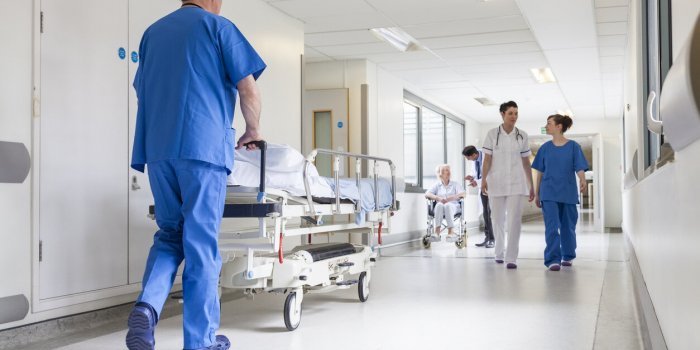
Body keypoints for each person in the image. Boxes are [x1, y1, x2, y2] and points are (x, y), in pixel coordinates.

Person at [127, 1, 266, 349]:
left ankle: (147, 308)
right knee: (201, 244)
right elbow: (248, 88)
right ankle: (200, 341)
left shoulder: (152, 33)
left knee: (171, 233)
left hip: (158, 150)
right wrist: (253, 130)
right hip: (202, 151)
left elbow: (142, 90)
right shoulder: (219, 28)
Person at [481, 101, 535, 269]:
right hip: (495, 183)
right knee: (496, 219)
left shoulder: (522, 135)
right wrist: (483, 179)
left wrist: (531, 185)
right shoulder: (491, 134)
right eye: (510, 113)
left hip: (517, 184)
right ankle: (499, 251)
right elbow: (487, 159)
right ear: (502, 114)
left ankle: (511, 257)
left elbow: (526, 162)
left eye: (516, 113)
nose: (514, 117)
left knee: (514, 221)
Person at [532, 114, 589, 271]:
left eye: (549, 123)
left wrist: (583, 180)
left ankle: (568, 255)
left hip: (568, 192)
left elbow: (579, 167)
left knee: (568, 227)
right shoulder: (544, 148)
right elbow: (540, 173)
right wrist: (537, 193)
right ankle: (552, 259)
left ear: (559, 127)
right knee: (551, 226)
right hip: (548, 192)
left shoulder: (573, 147)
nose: (546, 126)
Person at [463, 145, 494, 248]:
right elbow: (479, 174)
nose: (468, 160)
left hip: (492, 187)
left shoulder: (487, 156)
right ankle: (487, 237)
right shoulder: (475, 160)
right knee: (485, 213)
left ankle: (492, 239)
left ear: (474, 154)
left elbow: (490, 174)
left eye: (468, 158)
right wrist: (472, 178)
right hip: (483, 188)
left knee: (490, 213)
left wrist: (477, 181)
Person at [425, 164, 466, 242]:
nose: (448, 172)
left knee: (447, 205)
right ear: (439, 173)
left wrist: (451, 198)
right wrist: (438, 198)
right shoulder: (437, 185)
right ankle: (437, 232)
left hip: (453, 207)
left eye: (448, 170)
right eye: (444, 170)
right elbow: (427, 194)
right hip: (439, 209)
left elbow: (464, 194)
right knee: (439, 204)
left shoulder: (455, 184)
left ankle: (451, 232)